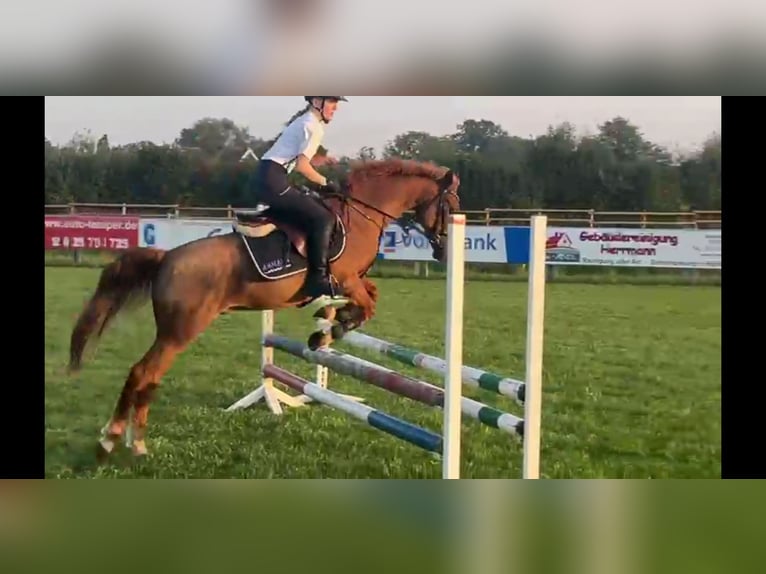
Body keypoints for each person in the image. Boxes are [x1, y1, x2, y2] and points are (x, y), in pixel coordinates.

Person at [252, 96, 348, 298]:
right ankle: (317, 280)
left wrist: (322, 160)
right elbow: (302, 167)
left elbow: (298, 157)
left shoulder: (305, 121)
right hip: (273, 180)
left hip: (268, 177)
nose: (336, 108)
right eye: (331, 102)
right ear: (316, 102)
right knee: (324, 218)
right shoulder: (313, 126)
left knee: (313, 207)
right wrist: (326, 183)